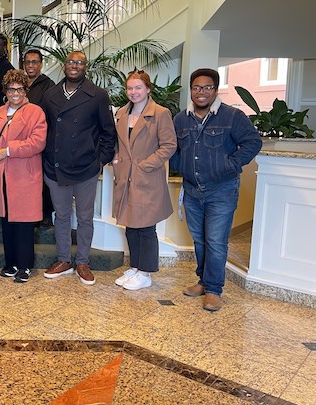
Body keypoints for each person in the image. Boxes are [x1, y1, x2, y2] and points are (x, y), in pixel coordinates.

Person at [171, 68, 261, 311]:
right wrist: (181, 167)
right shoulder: (181, 119)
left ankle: (213, 290)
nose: (201, 92)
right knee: (199, 240)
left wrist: (229, 165)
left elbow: (253, 142)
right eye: (197, 87)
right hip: (192, 190)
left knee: (215, 241)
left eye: (207, 87)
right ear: (191, 90)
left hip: (221, 190)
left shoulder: (232, 116)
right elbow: (173, 149)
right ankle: (203, 281)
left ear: (215, 89)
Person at [42, 51, 117, 286]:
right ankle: (64, 260)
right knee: (62, 216)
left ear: (86, 67)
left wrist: (99, 161)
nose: (75, 66)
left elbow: (108, 133)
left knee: (85, 218)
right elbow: (44, 129)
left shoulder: (97, 95)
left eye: (80, 62)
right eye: (71, 62)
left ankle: (83, 262)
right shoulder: (50, 94)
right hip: (56, 168)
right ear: (64, 66)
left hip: (86, 168)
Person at [112, 70, 177, 290]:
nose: (134, 92)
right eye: (130, 88)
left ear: (148, 89)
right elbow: (119, 144)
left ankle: (146, 272)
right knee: (131, 225)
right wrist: (116, 160)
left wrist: (146, 165)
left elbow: (169, 145)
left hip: (147, 178)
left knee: (146, 227)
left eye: (138, 87)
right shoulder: (121, 113)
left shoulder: (160, 113)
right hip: (126, 177)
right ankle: (136, 267)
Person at [0, 70, 47, 283]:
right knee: (7, 222)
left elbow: (38, 142)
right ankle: (10, 263)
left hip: (25, 174)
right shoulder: (0, 112)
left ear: (25, 90)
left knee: (24, 223)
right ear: (6, 90)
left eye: (19, 89)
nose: (15, 93)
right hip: (4, 173)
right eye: (11, 89)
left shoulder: (35, 112)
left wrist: (9, 150)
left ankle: (24, 266)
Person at [22, 49, 56, 226]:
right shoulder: (19, 84)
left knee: (42, 179)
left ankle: (45, 215)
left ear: (41, 64)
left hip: (41, 139)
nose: (30, 66)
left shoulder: (48, 86)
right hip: (21, 140)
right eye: (27, 62)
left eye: (34, 62)